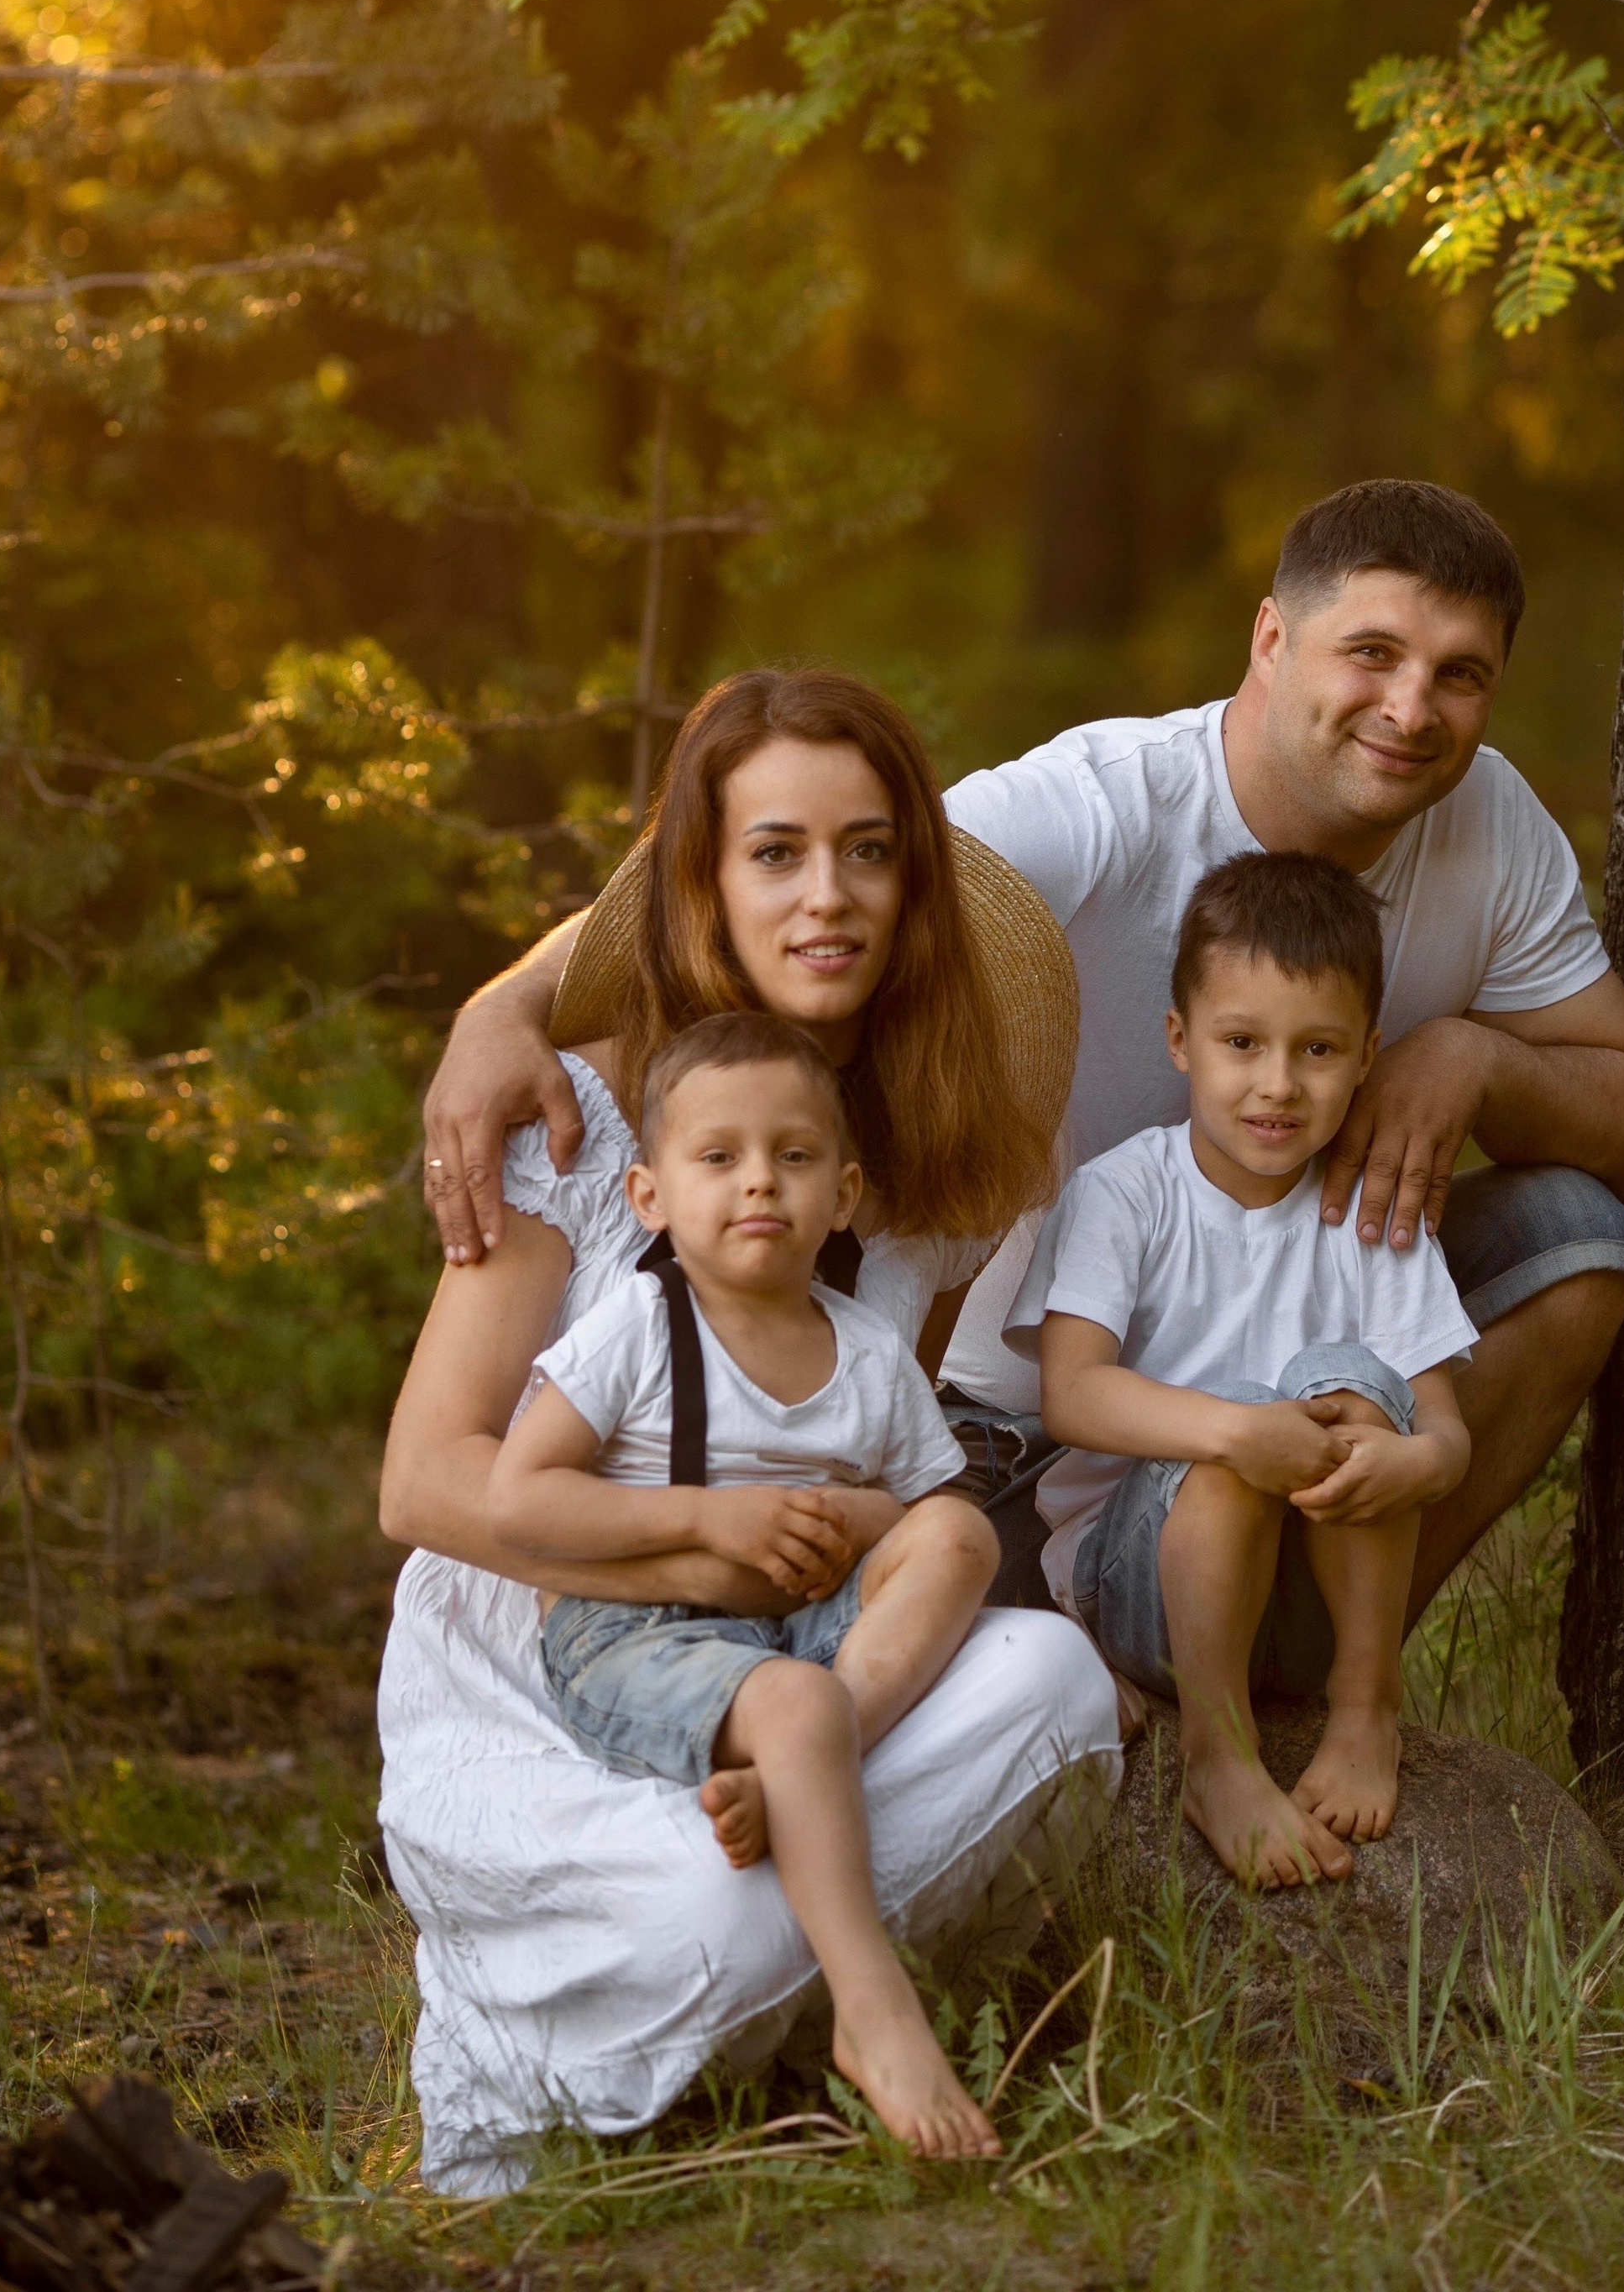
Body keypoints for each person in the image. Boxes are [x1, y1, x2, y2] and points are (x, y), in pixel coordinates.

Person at [418, 481, 1624, 1627]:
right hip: (1027, 1402)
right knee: (978, 1615)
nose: (1411, 710)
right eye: (1373, 653)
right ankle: (1165, 1647)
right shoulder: (1104, 806)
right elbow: (811, 875)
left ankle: (1325, 1663)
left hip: (1294, 1318)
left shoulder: (1487, 820)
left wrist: (1478, 1061)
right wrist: (509, 1006)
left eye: (1460, 676)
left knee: (1575, 1235)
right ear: (1273, 643)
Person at [376, 668, 1118, 2196]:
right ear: (707, 885)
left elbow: (870, 1465)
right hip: (552, 1656)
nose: (825, 896)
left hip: (790, 1661)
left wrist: (865, 1538)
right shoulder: (580, 1131)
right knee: (713, 1919)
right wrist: (701, 1529)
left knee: (1053, 1678)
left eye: (868, 851)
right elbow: (425, 1480)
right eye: (773, 852)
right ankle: (722, 2003)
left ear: (916, 886)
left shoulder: (909, 1178)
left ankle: (797, 1869)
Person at [490, 1012, 1003, 2158]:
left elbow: (921, 1518)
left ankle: (805, 1761)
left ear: (845, 1192)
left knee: (965, 1536)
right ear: (650, 1194)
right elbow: (520, 1496)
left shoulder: (867, 1350)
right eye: (718, 1158)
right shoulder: (641, 1326)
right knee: (792, 1698)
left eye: (795, 1157)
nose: (758, 1183)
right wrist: (703, 1514)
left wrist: (855, 1523)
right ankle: (874, 2012)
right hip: (632, 1632)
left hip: (796, 1622)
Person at [1008, 854, 1475, 1889]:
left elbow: (1443, 1427)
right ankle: (1217, 1760)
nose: (1277, 1084)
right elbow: (1072, 1392)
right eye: (1241, 1044)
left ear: (1366, 1058)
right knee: (1246, 1428)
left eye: (1316, 1050)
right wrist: (1237, 1432)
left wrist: (1418, 1463)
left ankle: (1363, 1705)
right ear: (1181, 1042)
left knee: (1353, 1382)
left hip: (1304, 1601)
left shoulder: (1369, 1209)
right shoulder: (1126, 1193)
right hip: (1141, 1599)